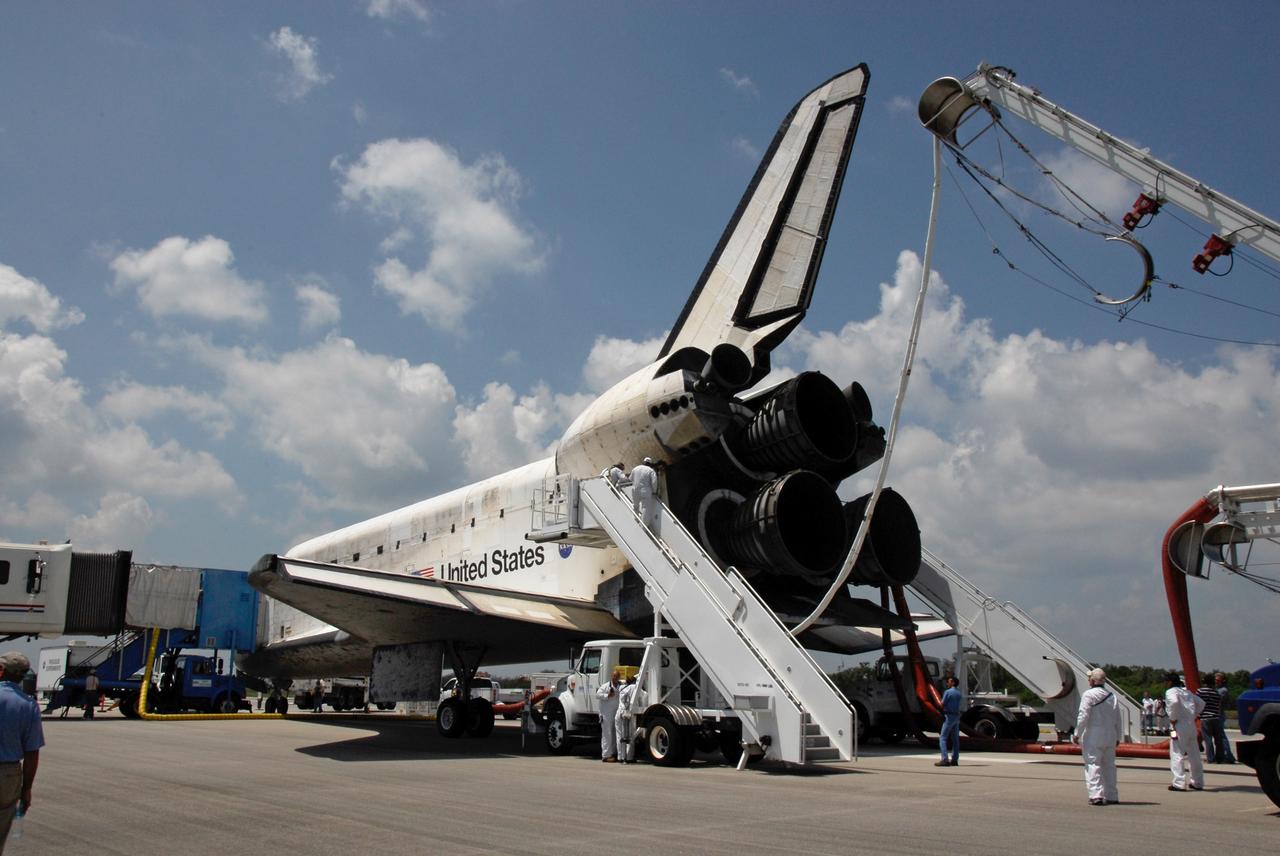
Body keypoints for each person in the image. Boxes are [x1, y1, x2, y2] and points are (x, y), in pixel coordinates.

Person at [0, 651, 44, 849]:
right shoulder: (28, 705)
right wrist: (26, 789)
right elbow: (32, 753)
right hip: (8, 776)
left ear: (1, 671)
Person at [1074, 667, 1121, 805]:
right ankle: (1112, 795)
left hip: (1094, 734)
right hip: (1110, 735)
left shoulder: (1088, 695)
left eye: (1090, 678)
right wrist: (1118, 736)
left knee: (1093, 764)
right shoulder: (1112, 696)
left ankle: (1096, 795)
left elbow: (1083, 715)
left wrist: (1077, 733)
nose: (1088, 680)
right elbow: (1118, 718)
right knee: (1109, 766)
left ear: (1093, 681)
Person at [1164, 672, 1205, 791]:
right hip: (1191, 726)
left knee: (1177, 753)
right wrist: (1194, 714)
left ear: (1170, 682)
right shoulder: (1187, 692)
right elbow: (1201, 703)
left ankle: (1179, 782)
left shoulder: (1171, 692)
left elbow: (1174, 702)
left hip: (1178, 726)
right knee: (1194, 755)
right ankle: (1198, 782)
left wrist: (1173, 718)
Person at [1198, 672, 1236, 764]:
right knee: (1218, 738)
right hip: (1216, 715)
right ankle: (1221, 757)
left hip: (1212, 716)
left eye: (1218, 680)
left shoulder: (1222, 690)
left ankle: (1222, 756)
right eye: (1215, 680)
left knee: (1214, 738)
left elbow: (1197, 701)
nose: (1216, 682)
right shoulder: (1216, 692)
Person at [596, 669, 622, 762]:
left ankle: (613, 753)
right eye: (614, 676)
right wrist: (607, 695)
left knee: (615, 734)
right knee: (607, 734)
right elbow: (597, 695)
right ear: (612, 676)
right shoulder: (605, 686)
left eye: (617, 676)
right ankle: (606, 755)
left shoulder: (620, 686)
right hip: (605, 714)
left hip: (615, 713)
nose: (615, 678)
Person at [936, 675, 962, 767]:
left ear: (953, 683)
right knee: (955, 739)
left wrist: (938, 708)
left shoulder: (947, 692)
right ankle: (955, 759)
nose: (947, 683)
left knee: (943, 738)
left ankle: (944, 759)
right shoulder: (959, 693)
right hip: (957, 717)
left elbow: (942, 704)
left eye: (949, 681)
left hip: (949, 717)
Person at [630, 457, 659, 532]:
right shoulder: (651, 470)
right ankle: (643, 527)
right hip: (645, 491)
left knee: (635, 506)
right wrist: (654, 491)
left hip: (635, 490)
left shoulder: (636, 468)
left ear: (643, 462)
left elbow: (630, 479)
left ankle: (636, 519)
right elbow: (654, 482)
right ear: (650, 464)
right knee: (645, 508)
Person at [615, 674, 637, 763]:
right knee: (630, 735)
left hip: (620, 713)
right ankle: (629, 757)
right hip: (629, 713)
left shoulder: (621, 688)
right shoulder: (634, 687)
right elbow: (645, 695)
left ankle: (620, 757)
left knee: (620, 736)